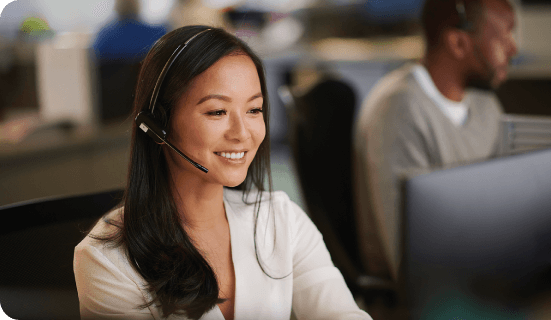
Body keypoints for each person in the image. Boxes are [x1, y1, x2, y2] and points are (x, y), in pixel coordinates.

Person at [74, 26, 372, 320]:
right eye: (217, 112)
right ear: (157, 125)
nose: (242, 134)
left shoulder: (281, 220)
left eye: (254, 110)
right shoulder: (107, 261)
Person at [353, 0, 518, 279]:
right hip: (427, 294)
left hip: (479, 273)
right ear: (458, 43)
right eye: (504, 35)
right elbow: (406, 258)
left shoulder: (486, 106)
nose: (513, 48)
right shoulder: (398, 111)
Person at [92, 0, 167, 62]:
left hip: (115, 79)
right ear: (138, 4)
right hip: (149, 79)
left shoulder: (103, 36)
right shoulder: (158, 33)